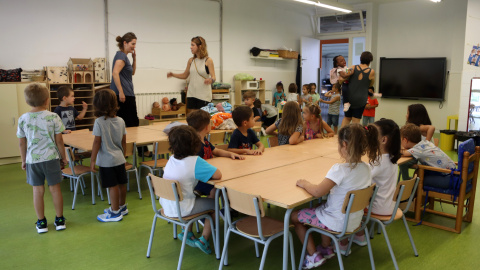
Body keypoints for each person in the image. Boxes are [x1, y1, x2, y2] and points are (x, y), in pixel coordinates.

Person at [291, 124, 380, 269]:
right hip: (355, 221)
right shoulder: (366, 168)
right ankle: (326, 247)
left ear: (344, 145)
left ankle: (313, 256)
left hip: (337, 222)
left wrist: (305, 183)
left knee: (294, 216)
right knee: (322, 207)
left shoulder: (339, 170)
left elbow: (318, 192)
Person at [161, 125, 221, 255]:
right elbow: (218, 175)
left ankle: (186, 232)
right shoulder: (195, 161)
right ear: (195, 144)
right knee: (215, 204)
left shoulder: (171, 159)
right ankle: (204, 239)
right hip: (182, 209)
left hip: (167, 205)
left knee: (193, 196)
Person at [17, 83, 67, 233]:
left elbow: (21, 142)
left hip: (33, 160)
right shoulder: (53, 117)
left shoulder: (23, 119)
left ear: (27, 101)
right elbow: (59, 141)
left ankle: (41, 222)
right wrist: (63, 158)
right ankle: (59, 220)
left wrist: (23, 159)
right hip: (51, 158)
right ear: (47, 100)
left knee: (37, 191)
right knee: (55, 189)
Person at [352, 119, 402, 247]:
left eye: (374, 135)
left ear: (383, 140)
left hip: (379, 208)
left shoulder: (380, 162)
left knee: (351, 200)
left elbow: (358, 179)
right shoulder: (390, 158)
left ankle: (358, 234)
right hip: (390, 205)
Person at [90, 89, 128, 222]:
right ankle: (122, 206)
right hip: (119, 157)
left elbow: (96, 142)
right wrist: (124, 156)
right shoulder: (121, 121)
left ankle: (115, 211)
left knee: (113, 186)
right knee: (122, 183)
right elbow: (124, 141)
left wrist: (92, 159)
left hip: (107, 161)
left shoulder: (99, 122)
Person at [187, 110, 244, 198]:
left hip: (209, 172)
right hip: (201, 179)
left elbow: (215, 151)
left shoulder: (204, 140)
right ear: (207, 127)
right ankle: (213, 210)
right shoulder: (196, 145)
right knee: (219, 187)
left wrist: (230, 154)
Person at [111, 32, 150, 156]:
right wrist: (121, 92)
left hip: (126, 94)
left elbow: (132, 72)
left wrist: (134, 59)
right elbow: (115, 73)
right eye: (132, 44)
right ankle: (141, 151)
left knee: (128, 123)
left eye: (135, 44)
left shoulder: (124, 56)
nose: (134, 46)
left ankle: (135, 151)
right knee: (132, 123)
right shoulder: (121, 56)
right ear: (125, 43)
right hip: (124, 95)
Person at [167, 36, 216, 113]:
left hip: (204, 95)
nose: (190, 47)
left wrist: (210, 80)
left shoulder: (208, 60)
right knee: (192, 118)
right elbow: (185, 75)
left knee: (202, 118)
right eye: (191, 45)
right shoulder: (191, 60)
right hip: (191, 93)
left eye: (193, 45)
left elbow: (213, 77)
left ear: (200, 46)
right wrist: (173, 74)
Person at [400, 123, 456, 189]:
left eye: (401, 140)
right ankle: (409, 186)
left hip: (446, 176)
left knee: (418, 176)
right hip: (453, 171)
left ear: (405, 140)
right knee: (418, 171)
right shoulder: (425, 142)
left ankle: (408, 187)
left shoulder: (417, 149)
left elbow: (403, 153)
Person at [341, 51, 375, 127]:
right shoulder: (371, 71)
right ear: (370, 61)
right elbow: (370, 84)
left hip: (348, 97)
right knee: (356, 120)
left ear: (361, 59)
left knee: (347, 118)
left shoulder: (353, 67)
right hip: (360, 99)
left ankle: (340, 136)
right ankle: (354, 138)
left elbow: (345, 74)